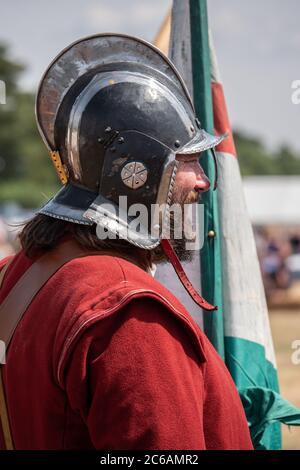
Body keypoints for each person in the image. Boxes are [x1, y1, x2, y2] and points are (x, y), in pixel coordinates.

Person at [0, 34, 253, 450]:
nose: (203, 182)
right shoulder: (129, 313)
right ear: (138, 171)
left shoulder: (16, 274)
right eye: (188, 160)